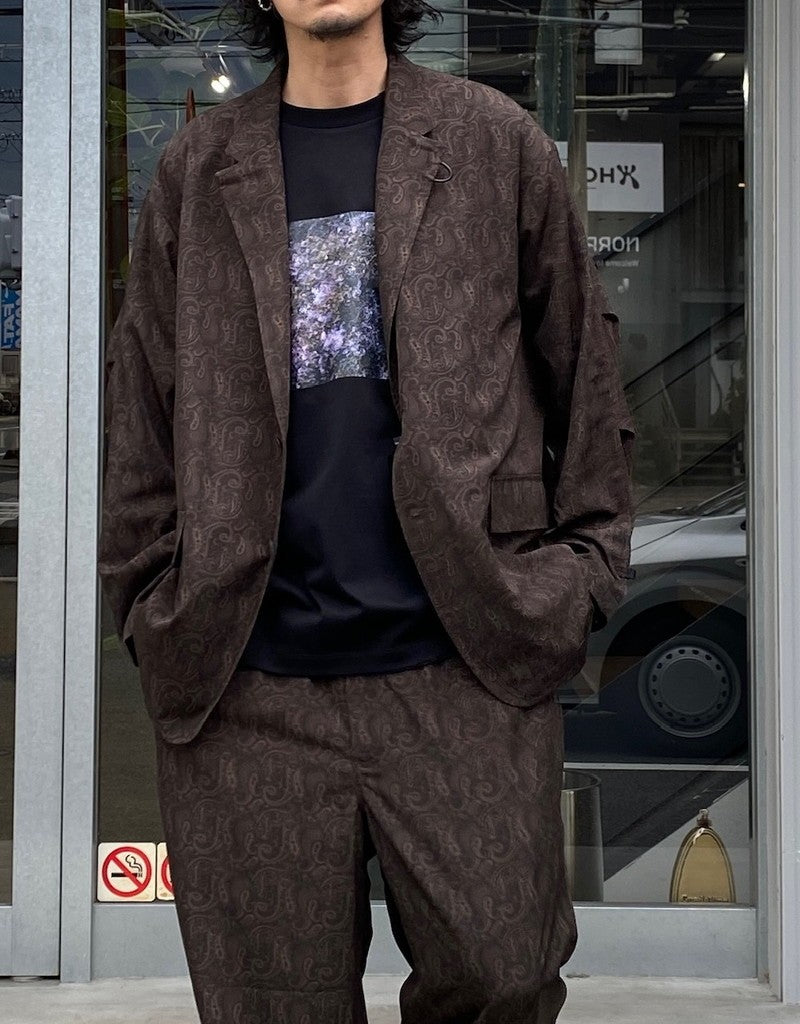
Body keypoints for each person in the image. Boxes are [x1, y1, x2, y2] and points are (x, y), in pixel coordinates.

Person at [98, 0, 636, 1021]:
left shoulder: (491, 142)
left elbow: (583, 366)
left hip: (463, 665)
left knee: (503, 979)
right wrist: (150, 600)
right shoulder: (198, 171)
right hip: (249, 684)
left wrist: (580, 573)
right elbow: (143, 406)